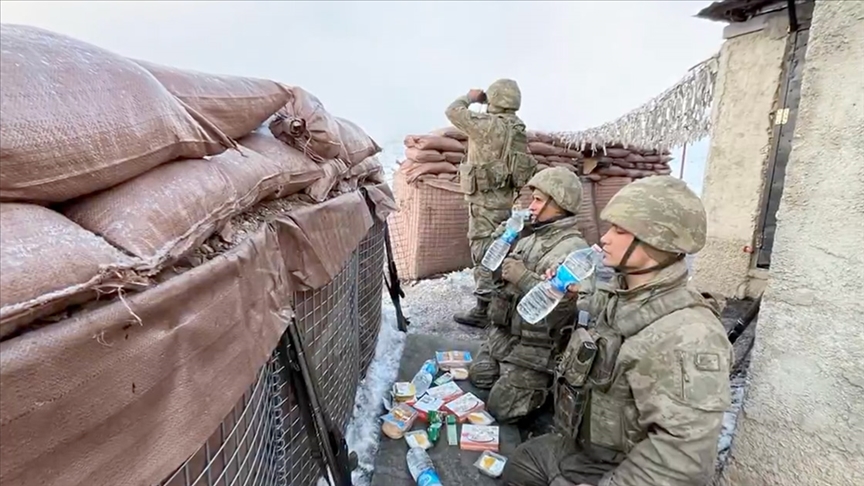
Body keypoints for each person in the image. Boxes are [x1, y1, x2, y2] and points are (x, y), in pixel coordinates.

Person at [502, 175, 733, 486]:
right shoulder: (621, 294)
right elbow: (591, 321)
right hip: (586, 449)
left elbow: (681, 461)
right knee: (523, 462)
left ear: (656, 241)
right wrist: (566, 297)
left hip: (619, 468)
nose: (605, 238)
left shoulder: (689, 335)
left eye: (620, 230)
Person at [467, 167, 588, 424]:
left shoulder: (573, 250)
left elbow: (572, 309)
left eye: (538, 200)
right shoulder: (530, 235)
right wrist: (501, 249)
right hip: (507, 335)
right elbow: (492, 271)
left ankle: (543, 387)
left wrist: (523, 278)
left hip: (538, 347)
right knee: (479, 375)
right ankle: (510, 374)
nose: (530, 205)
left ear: (560, 203)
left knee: (500, 409)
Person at [444, 79, 537, 328]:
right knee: (499, 249)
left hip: (484, 201)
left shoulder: (488, 125)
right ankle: (500, 303)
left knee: (484, 251)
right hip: (504, 201)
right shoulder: (517, 129)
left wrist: (471, 97)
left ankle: (485, 309)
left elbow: (453, 111)